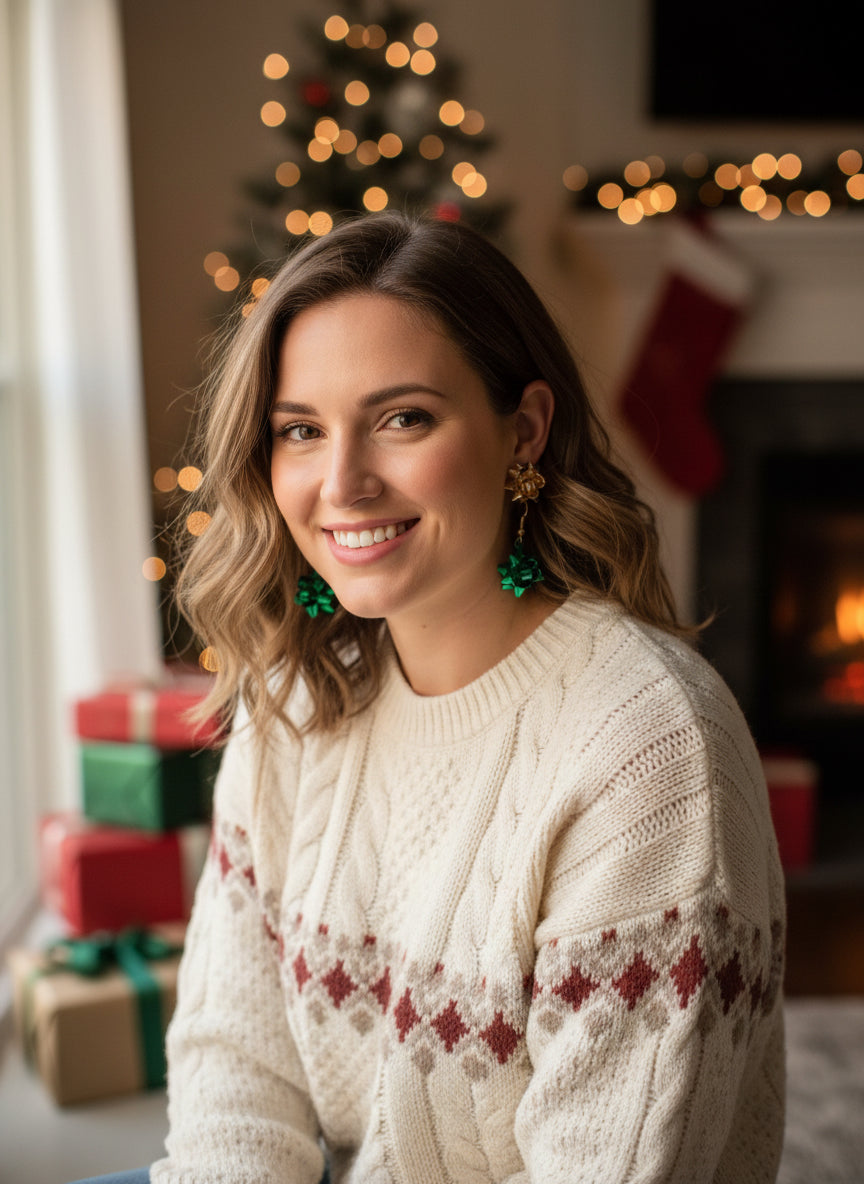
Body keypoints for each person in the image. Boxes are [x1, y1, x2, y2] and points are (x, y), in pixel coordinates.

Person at [140, 211, 784, 1183]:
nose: (343, 481)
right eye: (301, 431)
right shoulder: (298, 696)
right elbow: (236, 1062)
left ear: (522, 427)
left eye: (402, 418)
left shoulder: (646, 745)